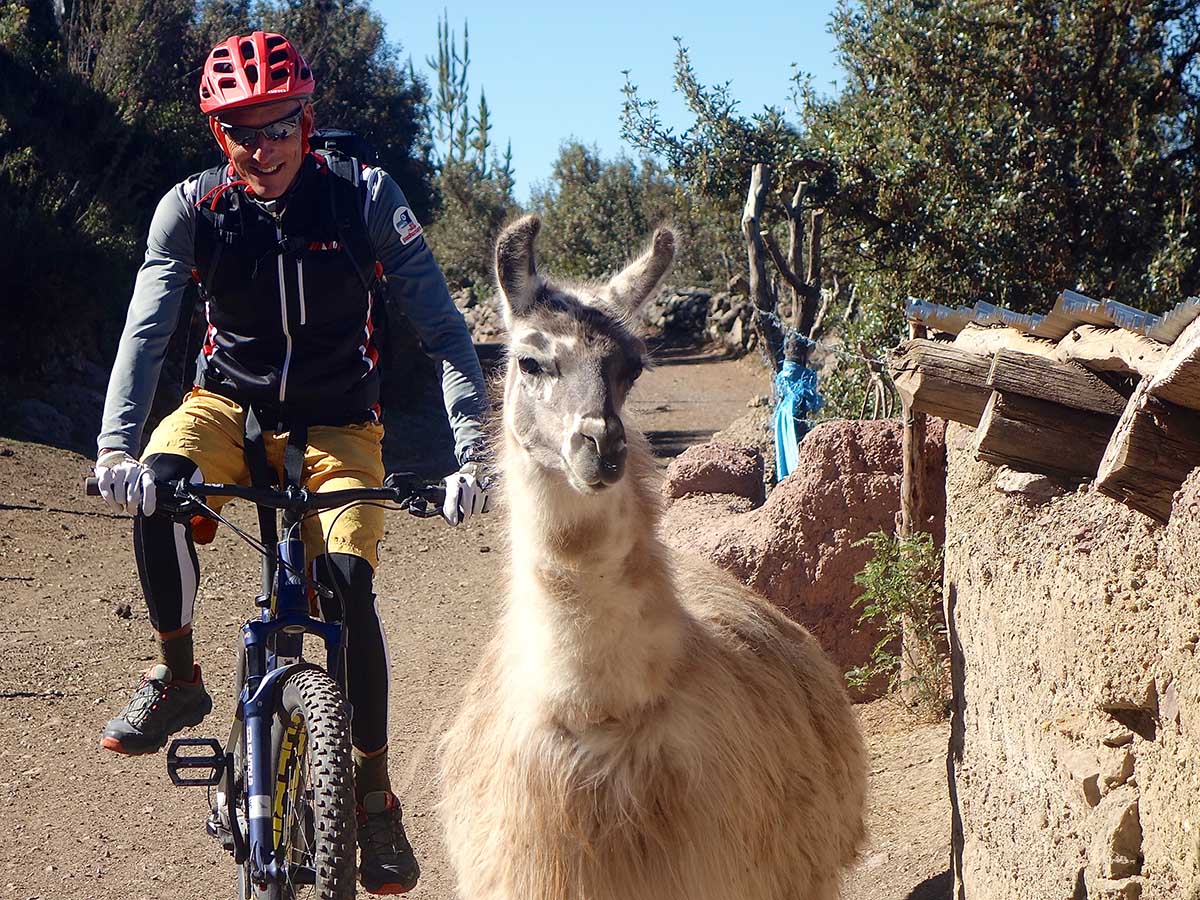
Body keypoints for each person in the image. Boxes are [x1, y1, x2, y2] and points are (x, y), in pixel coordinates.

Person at [93, 30, 491, 895]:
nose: (262, 147)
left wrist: (471, 451)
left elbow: (443, 331)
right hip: (226, 410)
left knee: (348, 585)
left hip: (342, 422)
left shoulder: (365, 199)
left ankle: (376, 803)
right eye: (242, 129)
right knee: (158, 491)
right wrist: (118, 446)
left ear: (308, 123)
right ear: (216, 134)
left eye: (279, 126)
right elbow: (148, 330)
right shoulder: (191, 210)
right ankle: (178, 674)